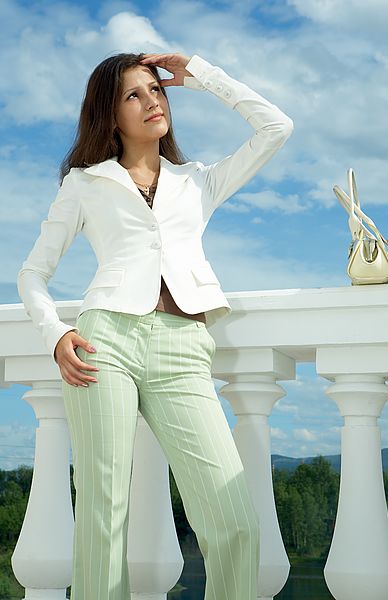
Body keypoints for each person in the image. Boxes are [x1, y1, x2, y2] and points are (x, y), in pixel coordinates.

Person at [17, 51, 293, 600]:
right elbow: (33, 273)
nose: (152, 101)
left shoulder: (198, 182)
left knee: (234, 519)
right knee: (103, 511)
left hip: (184, 347)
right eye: (133, 95)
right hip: (104, 343)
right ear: (108, 114)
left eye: (156, 90)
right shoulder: (85, 183)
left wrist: (202, 75)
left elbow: (275, 127)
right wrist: (55, 334)